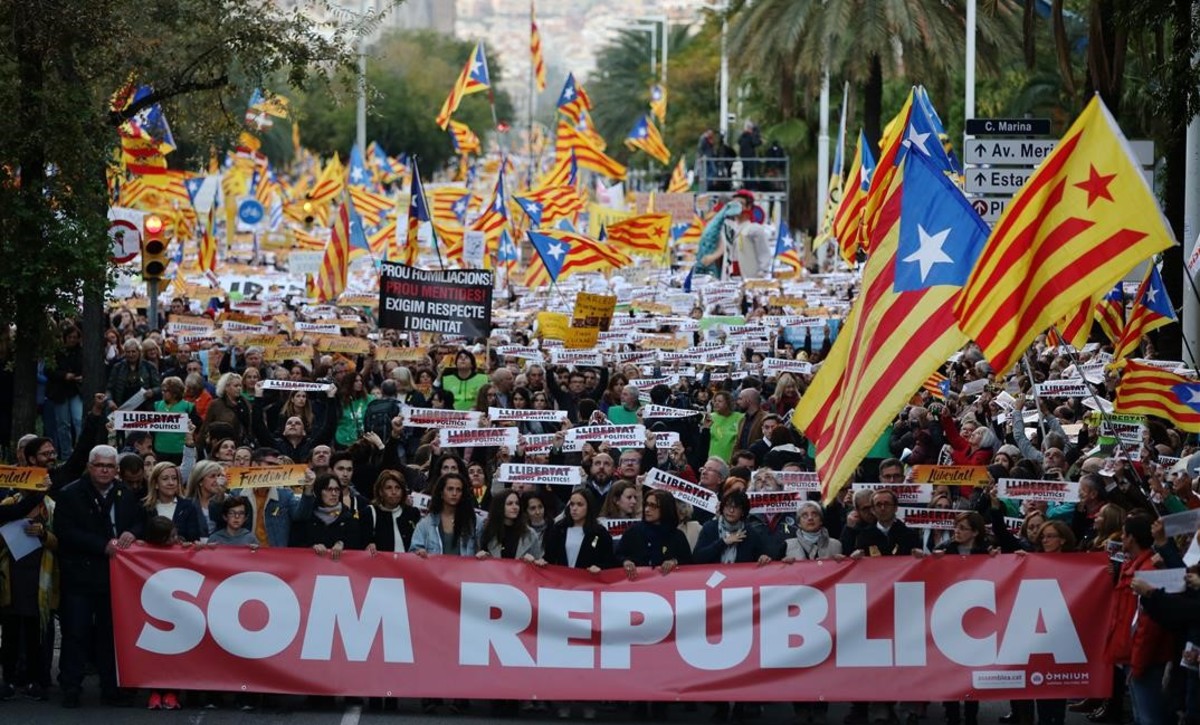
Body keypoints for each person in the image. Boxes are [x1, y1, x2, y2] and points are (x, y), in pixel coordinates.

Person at [54, 445, 145, 708]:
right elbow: (65, 531)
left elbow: (141, 520)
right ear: (89, 467)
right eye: (99, 465)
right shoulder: (70, 494)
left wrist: (133, 532)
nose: (104, 470)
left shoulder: (125, 492)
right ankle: (71, 686)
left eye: (109, 466)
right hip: (80, 575)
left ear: (116, 469)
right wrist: (100, 545)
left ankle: (111, 687)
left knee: (110, 634)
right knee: (75, 632)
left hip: (115, 577)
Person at [617, 489, 693, 579]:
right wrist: (625, 561)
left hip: (668, 583)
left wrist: (674, 561)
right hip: (637, 582)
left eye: (653, 506)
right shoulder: (633, 531)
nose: (647, 509)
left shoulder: (677, 536)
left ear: (665, 508)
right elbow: (618, 555)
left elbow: (689, 562)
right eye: (646, 504)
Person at [291, 473, 368, 558]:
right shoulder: (308, 516)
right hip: (312, 564)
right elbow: (296, 545)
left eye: (337, 489)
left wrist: (343, 544)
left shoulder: (349, 518)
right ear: (319, 491)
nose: (334, 493)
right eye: (329, 489)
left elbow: (357, 547)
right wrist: (312, 547)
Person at [694, 489, 772, 565]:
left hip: (740, 574)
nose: (731, 510)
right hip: (712, 573)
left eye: (736, 507)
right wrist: (723, 542)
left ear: (743, 511)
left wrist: (763, 558)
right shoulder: (709, 527)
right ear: (722, 508)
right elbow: (697, 558)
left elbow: (762, 556)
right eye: (727, 506)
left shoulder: (750, 532)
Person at [410, 473, 480, 557]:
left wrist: (482, 555)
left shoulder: (474, 522)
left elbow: (484, 549)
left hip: (466, 566)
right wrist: (419, 552)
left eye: (458, 490)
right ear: (441, 492)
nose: (454, 493)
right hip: (435, 566)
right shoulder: (425, 523)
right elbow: (414, 551)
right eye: (450, 489)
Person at [142, 461, 204, 543]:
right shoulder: (144, 507)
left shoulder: (188, 506)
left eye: (174, 478)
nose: (171, 483)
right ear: (156, 484)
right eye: (165, 479)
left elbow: (194, 538)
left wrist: (182, 541)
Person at [477, 489, 545, 563]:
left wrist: (533, 561)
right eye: (510, 504)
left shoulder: (530, 534)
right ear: (499, 506)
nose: (515, 507)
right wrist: (480, 556)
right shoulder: (488, 532)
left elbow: (539, 561)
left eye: (517, 503)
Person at [364, 469, 421, 553]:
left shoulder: (412, 513)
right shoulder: (370, 513)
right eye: (389, 488)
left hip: (408, 561)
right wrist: (369, 545)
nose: (394, 492)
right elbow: (363, 542)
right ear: (380, 492)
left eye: (398, 488)